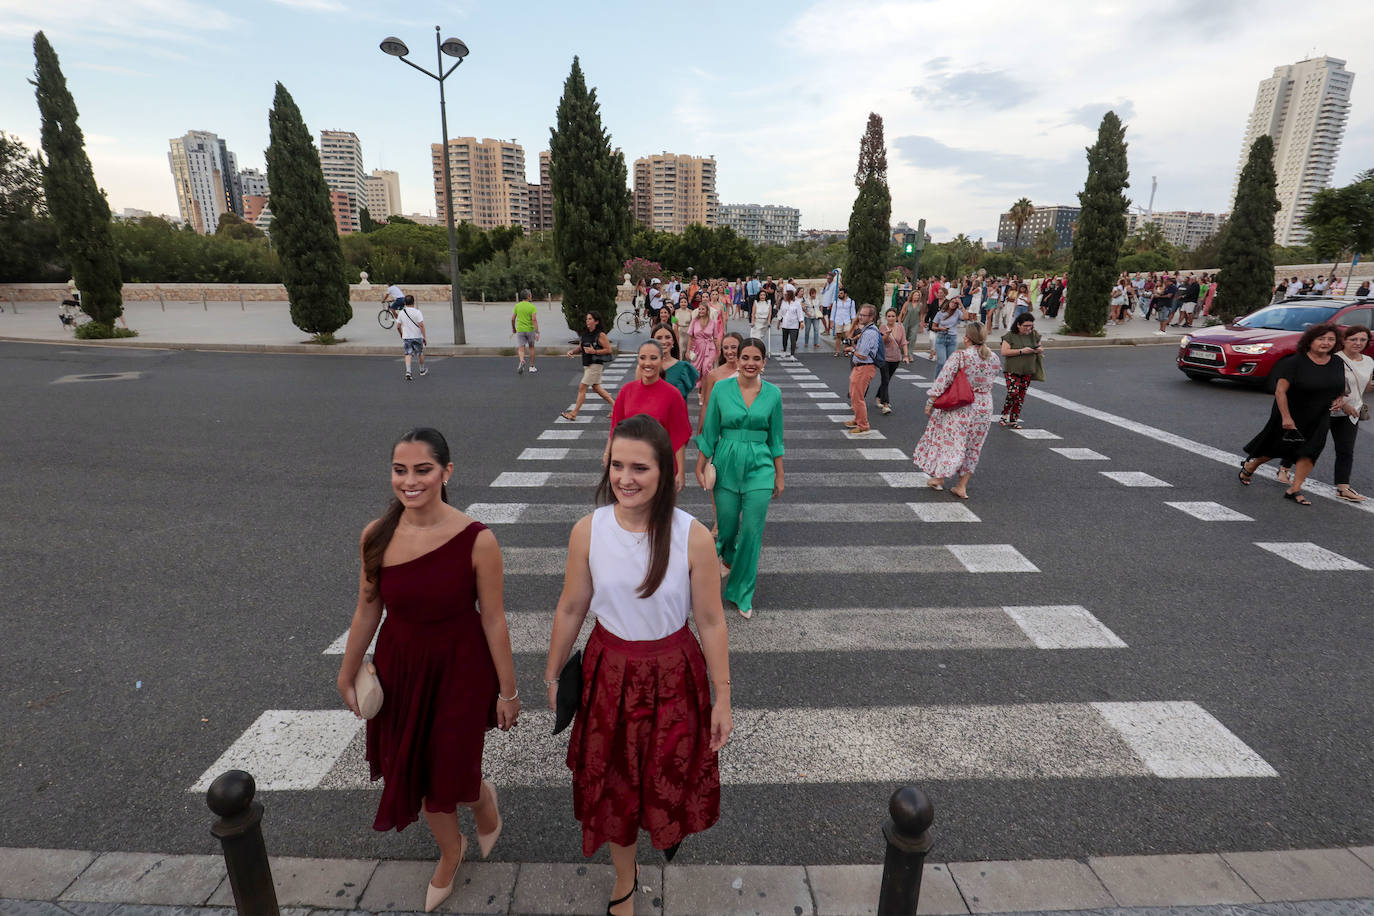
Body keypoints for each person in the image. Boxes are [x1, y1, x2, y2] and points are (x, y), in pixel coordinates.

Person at [544, 415, 732, 915]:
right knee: (614, 785)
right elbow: (570, 606)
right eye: (617, 465)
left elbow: (712, 621)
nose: (625, 478)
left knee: (667, 772)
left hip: (674, 672)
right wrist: (552, 672)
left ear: (667, 471)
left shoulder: (692, 536)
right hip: (609, 671)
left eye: (639, 468)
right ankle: (624, 882)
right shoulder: (589, 529)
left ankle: (662, 840)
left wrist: (723, 698)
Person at [336, 428, 519, 912]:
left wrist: (508, 691)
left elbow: (495, 619)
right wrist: (346, 670)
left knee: (448, 769)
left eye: (422, 470)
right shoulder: (376, 535)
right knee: (416, 769)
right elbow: (366, 609)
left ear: (446, 473)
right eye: (400, 470)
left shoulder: (478, 540)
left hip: (460, 669)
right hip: (400, 667)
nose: (410, 481)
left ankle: (480, 804)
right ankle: (451, 848)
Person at [695, 337, 784, 619]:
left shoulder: (774, 394)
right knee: (729, 529)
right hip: (726, 463)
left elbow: (777, 438)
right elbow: (709, 432)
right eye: (745, 357)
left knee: (752, 533)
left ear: (763, 363)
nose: (749, 363)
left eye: (756, 358)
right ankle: (729, 559)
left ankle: (741, 592)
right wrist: (699, 465)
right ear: (737, 360)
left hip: (760, 466)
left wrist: (779, 475)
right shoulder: (721, 389)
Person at [1238, 324, 1347, 505]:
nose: (1326, 343)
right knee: (1277, 448)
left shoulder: (1336, 362)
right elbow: (1280, 392)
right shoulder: (1294, 362)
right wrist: (1286, 418)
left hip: (1320, 414)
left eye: (1330, 339)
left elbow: (1338, 388)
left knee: (1311, 451)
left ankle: (1295, 489)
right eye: (1321, 339)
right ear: (1310, 341)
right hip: (1291, 412)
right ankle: (1252, 465)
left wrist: (1340, 399)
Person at [1276, 325, 1372, 501]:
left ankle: (1343, 487)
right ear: (1343, 341)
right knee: (1305, 443)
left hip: (1351, 412)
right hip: (1323, 410)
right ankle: (1284, 467)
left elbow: (1364, 386)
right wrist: (1344, 405)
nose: (1358, 343)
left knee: (1346, 450)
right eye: (1353, 339)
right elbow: (1329, 386)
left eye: (1363, 340)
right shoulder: (1333, 359)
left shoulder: (1369, 361)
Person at [913, 322, 1001, 500]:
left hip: (961, 405)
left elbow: (943, 380)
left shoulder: (960, 356)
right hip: (984, 405)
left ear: (966, 337)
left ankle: (939, 478)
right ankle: (962, 486)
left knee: (951, 442)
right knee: (973, 446)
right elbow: (992, 379)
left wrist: (931, 401)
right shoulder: (993, 358)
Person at [608, 339, 691, 491]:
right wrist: (609, 456)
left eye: (653, 358)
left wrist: (681, 472)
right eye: (642, 358)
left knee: (658, 512)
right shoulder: (626, 391)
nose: (648, 363)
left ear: (661, 360)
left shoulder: (673, 395)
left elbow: (679, 436)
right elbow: (615, 428)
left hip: (660, 463)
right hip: (630, 462)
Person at [561, 312, 615, 421]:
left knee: (582, 387)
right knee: (596, 388)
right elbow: (580, 347)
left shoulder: (600, 335)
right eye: (587, 319)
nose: (587, 321)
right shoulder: (585, 334)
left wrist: (594, 351)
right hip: (587, 364)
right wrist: (572, 351)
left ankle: (573, 413)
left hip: (595, 364)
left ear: (596, 321)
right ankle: (616, 406)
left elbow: (609, 350)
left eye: (590, 319)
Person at [999, 313, 1044, 429]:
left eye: (1030, 325)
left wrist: (1038, 350)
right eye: (1025, 325)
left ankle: (1013, 420)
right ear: (1018, 325)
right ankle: (1004, 414)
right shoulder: (1010, 336)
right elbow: (1004, 352)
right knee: (1013, 392)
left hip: (1027, 370)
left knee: (1020, 395)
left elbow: (1040, 347)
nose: (1028, 328)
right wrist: (1021, 351)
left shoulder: (1034, 335)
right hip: (1012, 370)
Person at [843, 304, 883, 434]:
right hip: (860, 367)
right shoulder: (868, 329)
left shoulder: (869, 333)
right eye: (860, 314)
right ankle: (858, 418)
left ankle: (863, 425)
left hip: (864, 367)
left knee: (858, 397)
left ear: (871, 317)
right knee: (854, 395)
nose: (860, 317)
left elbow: (862, 354)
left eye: (863, 315)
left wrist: (852, 349)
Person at [651, 322, 700, 403]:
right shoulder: (646, 367)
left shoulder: (684, 368)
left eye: (667, 337)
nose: (663, 342)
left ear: (673, 341)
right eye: (659, 338)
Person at [875, 307, 910, 414]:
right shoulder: (882, 327)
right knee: (885, 379)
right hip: (884, 357)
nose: (891, 318)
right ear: (886, 317)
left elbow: (903, 342)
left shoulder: (900, 327)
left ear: (896, 317)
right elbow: (881, 342)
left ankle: (878, 397)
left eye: (893, 316)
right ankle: (885, 405)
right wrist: (887, 334)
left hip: (896, 358)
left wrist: (906, 355)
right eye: (889, 316)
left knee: (887, 379)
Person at [687, 299, 722, 382]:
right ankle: (701, 388)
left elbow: (716, 338)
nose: (701, 311)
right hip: (697, 348)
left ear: (707, 311)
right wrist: (688, 351)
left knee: (707, 367)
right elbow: (691, 337)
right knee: (696, 369)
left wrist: (719, 350)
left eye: (703, 309)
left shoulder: (713, 323)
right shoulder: (694, 321)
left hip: (710, 348)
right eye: (699, 309)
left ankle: (707, 386)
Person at [930, 293, 964, 378]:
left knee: (950, 362)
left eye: (955, 304)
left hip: (952, 339)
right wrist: (940, 329)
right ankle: (937, 379)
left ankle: (947, 380)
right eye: (952, 302)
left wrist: (961, 304)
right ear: (949, 302)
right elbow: (933, 326)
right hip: (941, 338)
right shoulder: (940, 313)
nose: (953, 304)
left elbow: (966, 317)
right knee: (941, 362)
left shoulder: (957, 313)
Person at [396, 295, 427, 381]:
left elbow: (398, 326)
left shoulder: (401, 312)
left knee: (408, 354)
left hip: (407, 337)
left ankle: (408, 372)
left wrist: (401, 334)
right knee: (420, 353)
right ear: (414, 302)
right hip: (417, 336)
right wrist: (424, 337)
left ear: (405, 303)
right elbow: (421, 325)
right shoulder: (417, 312)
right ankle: (422, 370)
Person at [512, 289, 540, 374]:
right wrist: (537, 331)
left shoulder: (517, 306)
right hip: (530, 330)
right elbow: (534, 319)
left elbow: (513, 318)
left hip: (520, 330)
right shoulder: (532, 307)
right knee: (531, 347)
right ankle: (531, 366)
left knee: (521, 348)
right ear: (528, 297)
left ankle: (522, 360)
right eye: (530, 295)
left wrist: (514, 328)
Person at [776, 288, 805, 357]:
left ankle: (792, 354)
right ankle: (785, 351)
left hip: (794, 325)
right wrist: (778, 322)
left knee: (793, 340)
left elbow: (800, 313)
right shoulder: (783, 303)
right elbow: (781, 313)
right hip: (785, 324)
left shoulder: (797, 303)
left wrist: (801, 322)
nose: (784, 296)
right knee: (784, 339)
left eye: (786, 295)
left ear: (790, 296)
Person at [831, 286, 857, 356]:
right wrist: (831, 322)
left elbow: (853, 313)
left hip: (847, 321)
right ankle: (837, 351)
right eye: (839, 293)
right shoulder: (836, 302)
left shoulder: (851, 302)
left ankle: (846, 351)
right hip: (838, 320)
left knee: (847, 335)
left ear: (845, 294)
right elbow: (833, 312)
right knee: (838, 336)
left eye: (841, 293)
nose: (839, 295)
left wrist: (854, 323)